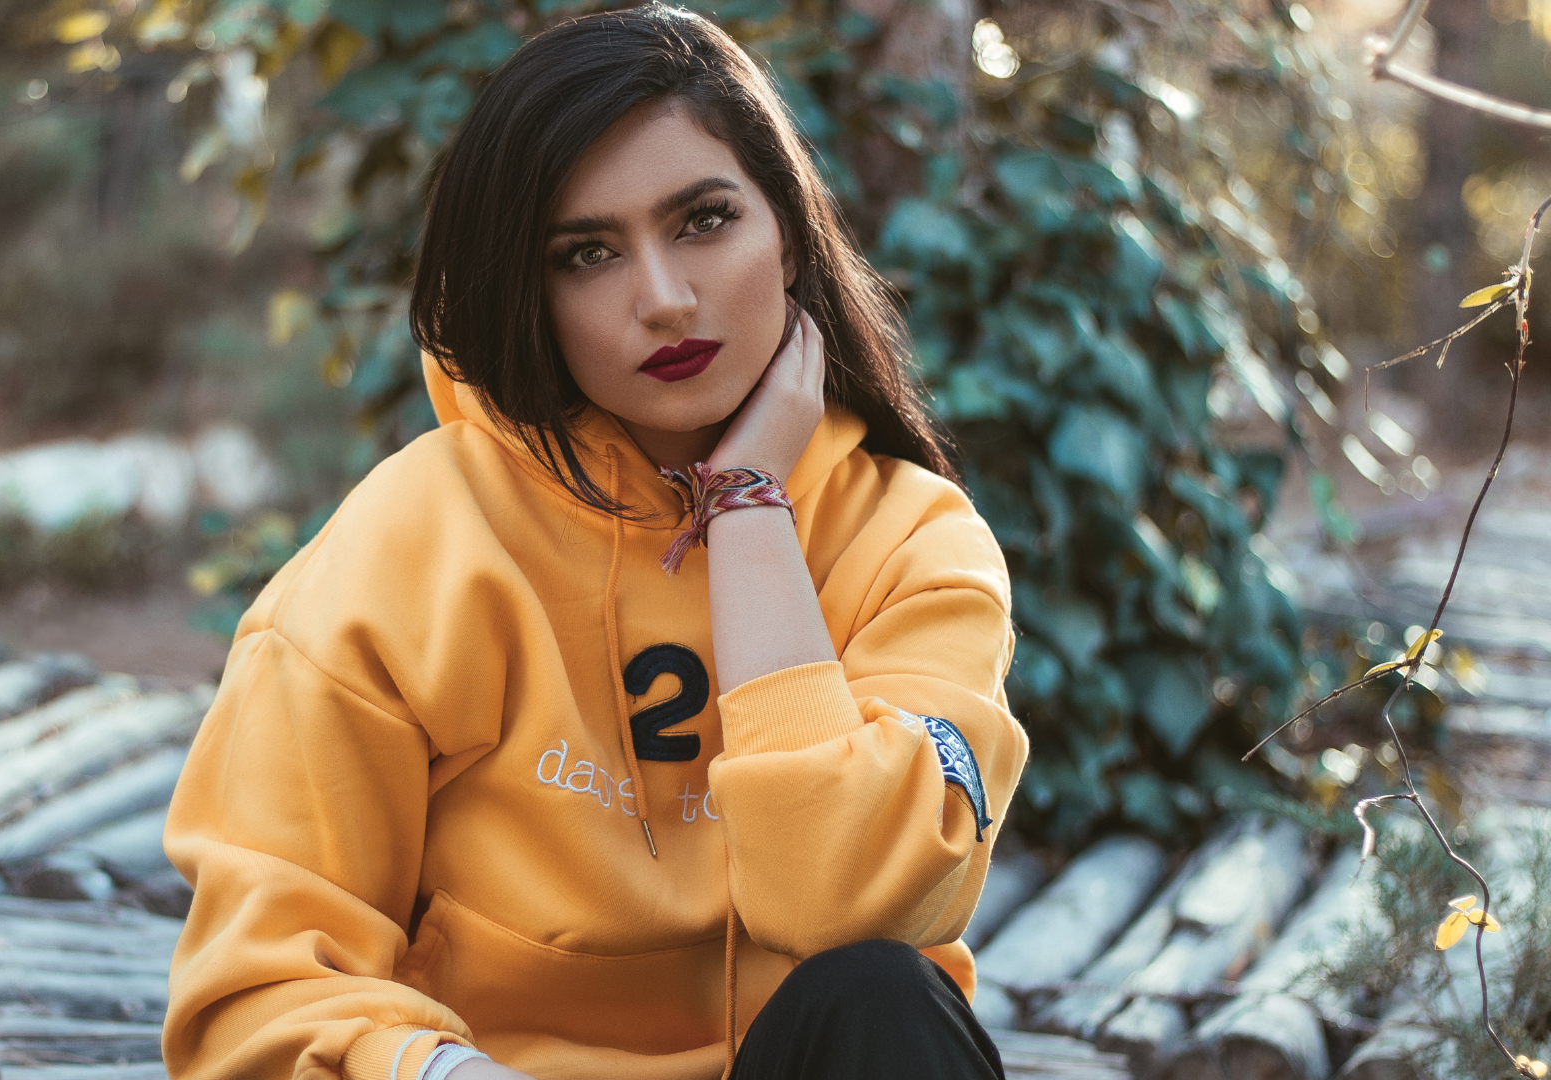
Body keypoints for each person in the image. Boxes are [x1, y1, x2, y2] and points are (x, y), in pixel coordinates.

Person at [162, 5, 1028, 1079]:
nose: (663, 300)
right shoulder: (412, 546)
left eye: (705, 220)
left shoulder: (910, 546)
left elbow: (841, 899)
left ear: (790, 234)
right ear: (531, 291)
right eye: (587, 253)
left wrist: (749, 507)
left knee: (880, 994)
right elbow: (252, 994)